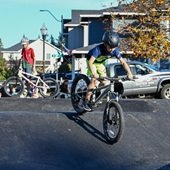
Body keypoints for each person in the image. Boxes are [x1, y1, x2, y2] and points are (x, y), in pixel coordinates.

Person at [83, 30, 133, 111]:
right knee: (94, 80)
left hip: (101, 63)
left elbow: (123, 62)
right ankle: (86, 100)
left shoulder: (115, 50)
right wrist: (94, 73)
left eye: (114, 47)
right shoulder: (98, 49)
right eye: (110, 48)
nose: (112, 50)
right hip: (91, 62)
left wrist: (129, 73)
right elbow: (91, 62)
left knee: (105, 81)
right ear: (105, 44)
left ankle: (96, 93)